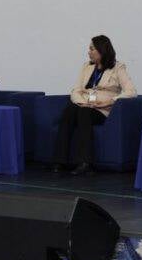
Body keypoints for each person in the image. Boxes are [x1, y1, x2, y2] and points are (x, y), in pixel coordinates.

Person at [53, 35, 136, 175]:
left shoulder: (118, 68)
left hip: (103, 109)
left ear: (102, 50)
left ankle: (85, 163)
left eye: (92, 49)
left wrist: (110, 101)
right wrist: (83, 102)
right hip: (85, 104)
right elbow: (76, 90)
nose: (89, 52)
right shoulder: (86, 67)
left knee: (83, 113)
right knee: (70, 110)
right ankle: (59, 161)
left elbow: (131, 92)